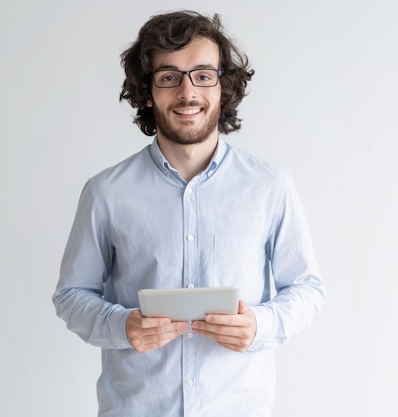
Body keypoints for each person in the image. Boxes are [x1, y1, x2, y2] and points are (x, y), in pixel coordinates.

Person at [53, 10, 326, 417]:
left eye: (202, 74)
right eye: (168, 76)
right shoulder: (105, 192)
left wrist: (260, 326)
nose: (187, 91)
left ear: (222, 86)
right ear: (147, 91)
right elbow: (72, 296)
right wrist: (122, 326)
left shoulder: (270, 186)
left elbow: (307, 287)